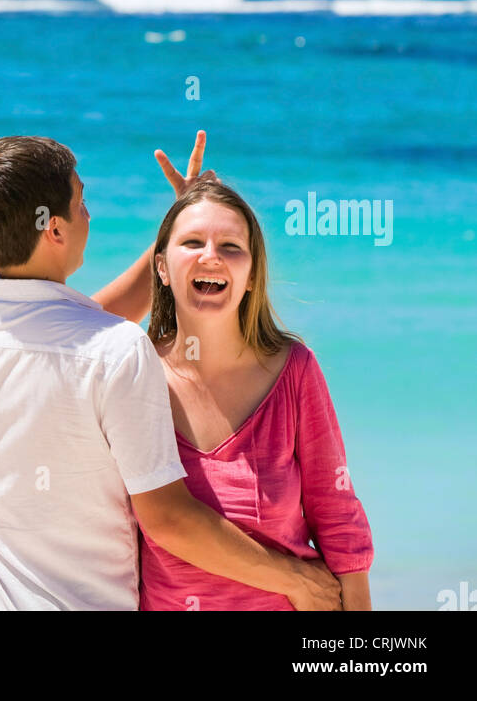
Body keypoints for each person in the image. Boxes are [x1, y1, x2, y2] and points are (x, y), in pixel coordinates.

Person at [0, 132, 342, 611]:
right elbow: (169, 520)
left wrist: (181, 227)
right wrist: (299, 581)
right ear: (53, 230)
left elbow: (65, 334)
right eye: (81, 202)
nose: (89, 214)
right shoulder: (116, 351)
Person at [95, 158, 374, 611]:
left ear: (249, 277)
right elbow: (66, 330)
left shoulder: (294, 369)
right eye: (192, 243)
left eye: (231, 246)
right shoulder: (132, 370)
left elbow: (337, 515)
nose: (211, 256)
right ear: (160, 270)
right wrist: (184, 209)